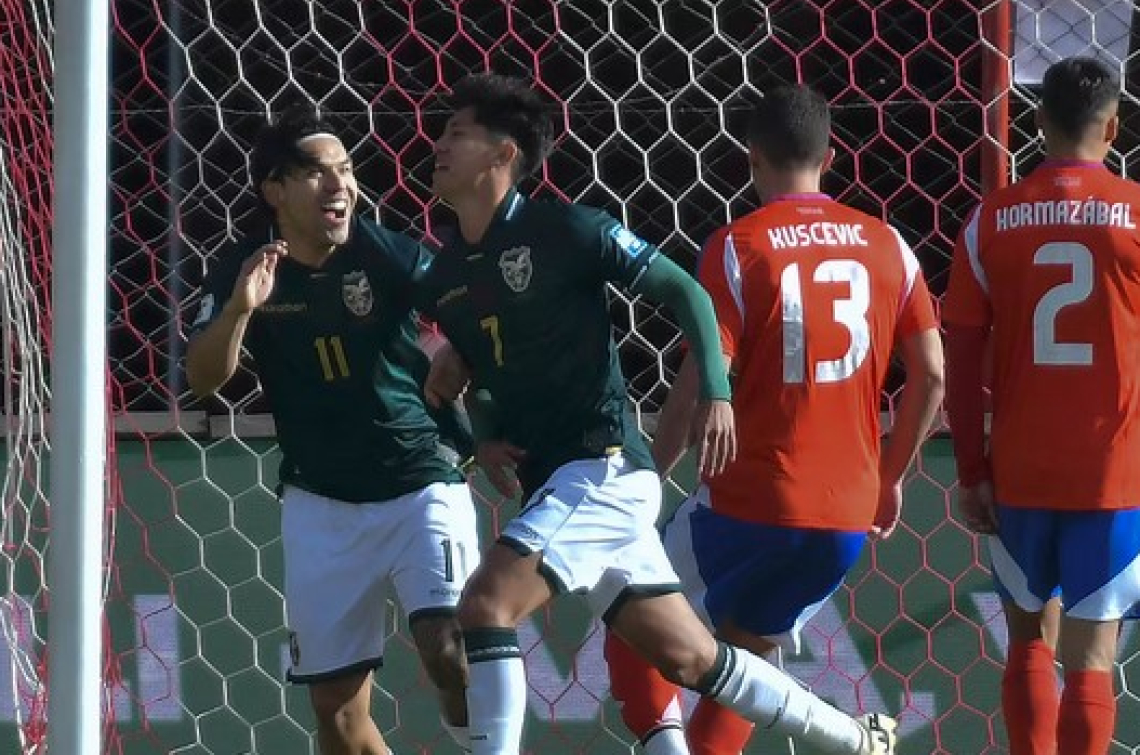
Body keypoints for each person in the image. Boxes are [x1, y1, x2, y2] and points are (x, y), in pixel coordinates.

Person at [416, 72, 899, 755]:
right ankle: (856, 738)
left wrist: (719, 395)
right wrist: (486, 436)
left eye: (456, 133)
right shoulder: (447, 274)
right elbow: (480, 369)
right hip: (559, 480)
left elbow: (687, 294)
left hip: (604, 468)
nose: (438, 145)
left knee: (486, 605)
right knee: (691, 659)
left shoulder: (568, 229)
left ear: (503, 154)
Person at [602, 83, 946, 755]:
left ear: (752, 157)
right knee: (744, 665)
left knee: (629, 616)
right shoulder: (890, 247)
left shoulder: (739, 246)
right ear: (831, 156)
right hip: (844, 516)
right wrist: (891, 477)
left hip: (751, 500)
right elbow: (932, 375)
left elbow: (698, 380)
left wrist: (650, 475)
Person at [185, 106, 480, 755]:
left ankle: (481, 737)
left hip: (419, 481)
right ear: (275, 190)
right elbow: (203, 378)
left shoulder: (386, 253)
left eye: (346, 170)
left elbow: (474, 318)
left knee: (448, 648)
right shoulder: (245, 267)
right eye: (318, 173)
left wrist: (462, 362)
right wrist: (239, 310)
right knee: (338, 717)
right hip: (320, 502)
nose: (340, 185)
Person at [943, 55, 1140, 755]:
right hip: (1112, 473)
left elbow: (961, 356)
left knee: (1028, 638)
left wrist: (972, 469)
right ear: (1113, 128)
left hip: (1020, 471)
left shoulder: (991, 220)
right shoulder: (1135, 212)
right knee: (1092, 659)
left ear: (1038, 122)